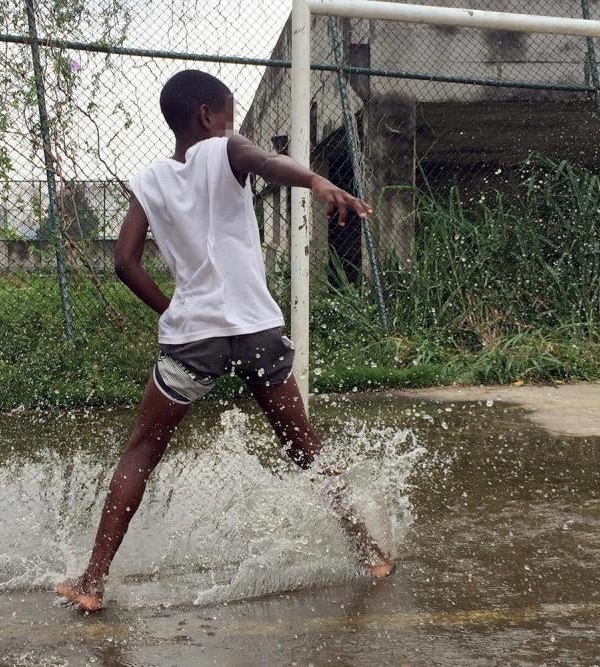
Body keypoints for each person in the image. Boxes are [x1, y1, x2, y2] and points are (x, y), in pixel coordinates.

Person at [56, 69, 393, 613]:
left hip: (195, 339)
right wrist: (316, 182)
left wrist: (178, 311)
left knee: (141, 452)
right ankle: (370, 552)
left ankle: (92, 582)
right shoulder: (225, 148)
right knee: (304, 447)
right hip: (257, 330)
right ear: (206, 117)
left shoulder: (149, 182)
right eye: (229, 116)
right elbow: (266, 163)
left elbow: (124, 263)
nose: (233, 127)